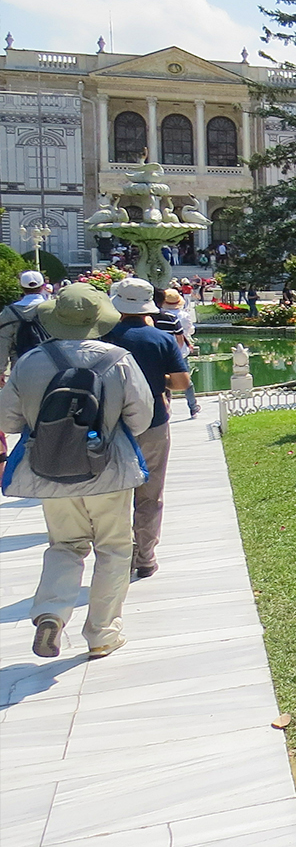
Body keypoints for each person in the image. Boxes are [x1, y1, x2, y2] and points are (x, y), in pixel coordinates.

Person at [0, 284, 154, 659]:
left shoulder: (31, 361)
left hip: (50, 470)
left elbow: (6, 419)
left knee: (65, 545)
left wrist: (52, 435)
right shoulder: (118, 359)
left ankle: (50, 612)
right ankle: (102, 631)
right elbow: (142, 417)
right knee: (114, 548)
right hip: (109, 470)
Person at [104, 277, 190, 580]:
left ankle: (117, 555)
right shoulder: (159, 338)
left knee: (114, 493)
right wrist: (159, 381)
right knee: (150, 494)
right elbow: (181, 382)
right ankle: (145, 557)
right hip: (153, 422)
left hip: (111, 425)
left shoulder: (102, 336)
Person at [0, 271, 52, 386]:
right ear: (43, 286)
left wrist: (1, 371)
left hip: (21, 366)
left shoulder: (8, 313)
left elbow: (3, 344)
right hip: (51, 364)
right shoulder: (52, 309)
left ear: (21, 288)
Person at [155, 289, 200, 417]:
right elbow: (185, 335)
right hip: (178, 354)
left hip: (160, 354)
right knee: (186, 381)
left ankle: (166, 408)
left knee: (164, 381)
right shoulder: (181, 316)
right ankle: (193, 406)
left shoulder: (157, 317)